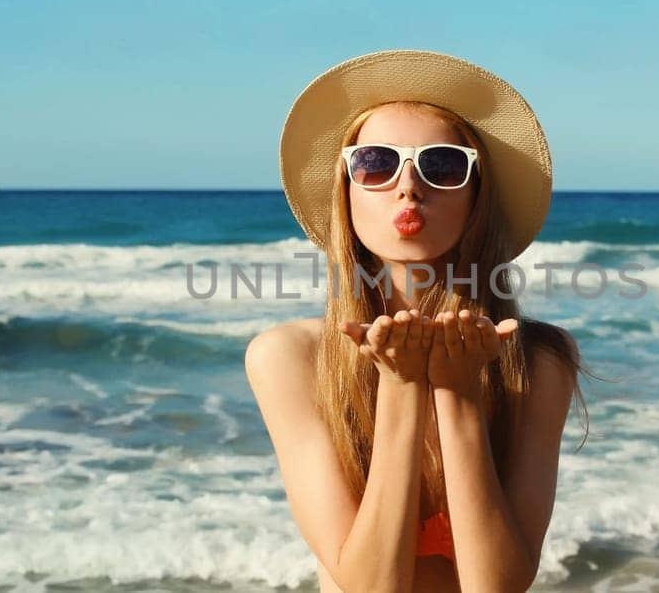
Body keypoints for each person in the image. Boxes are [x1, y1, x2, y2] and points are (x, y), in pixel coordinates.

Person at [246, 49, 589, 592]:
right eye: (377, 163)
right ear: (347, 188)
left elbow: (496, 588)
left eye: (443, 165)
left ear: (477, 196)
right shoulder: (289, 358)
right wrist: (402, 385)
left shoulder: (539, 361)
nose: (408, 186)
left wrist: (459, 394)